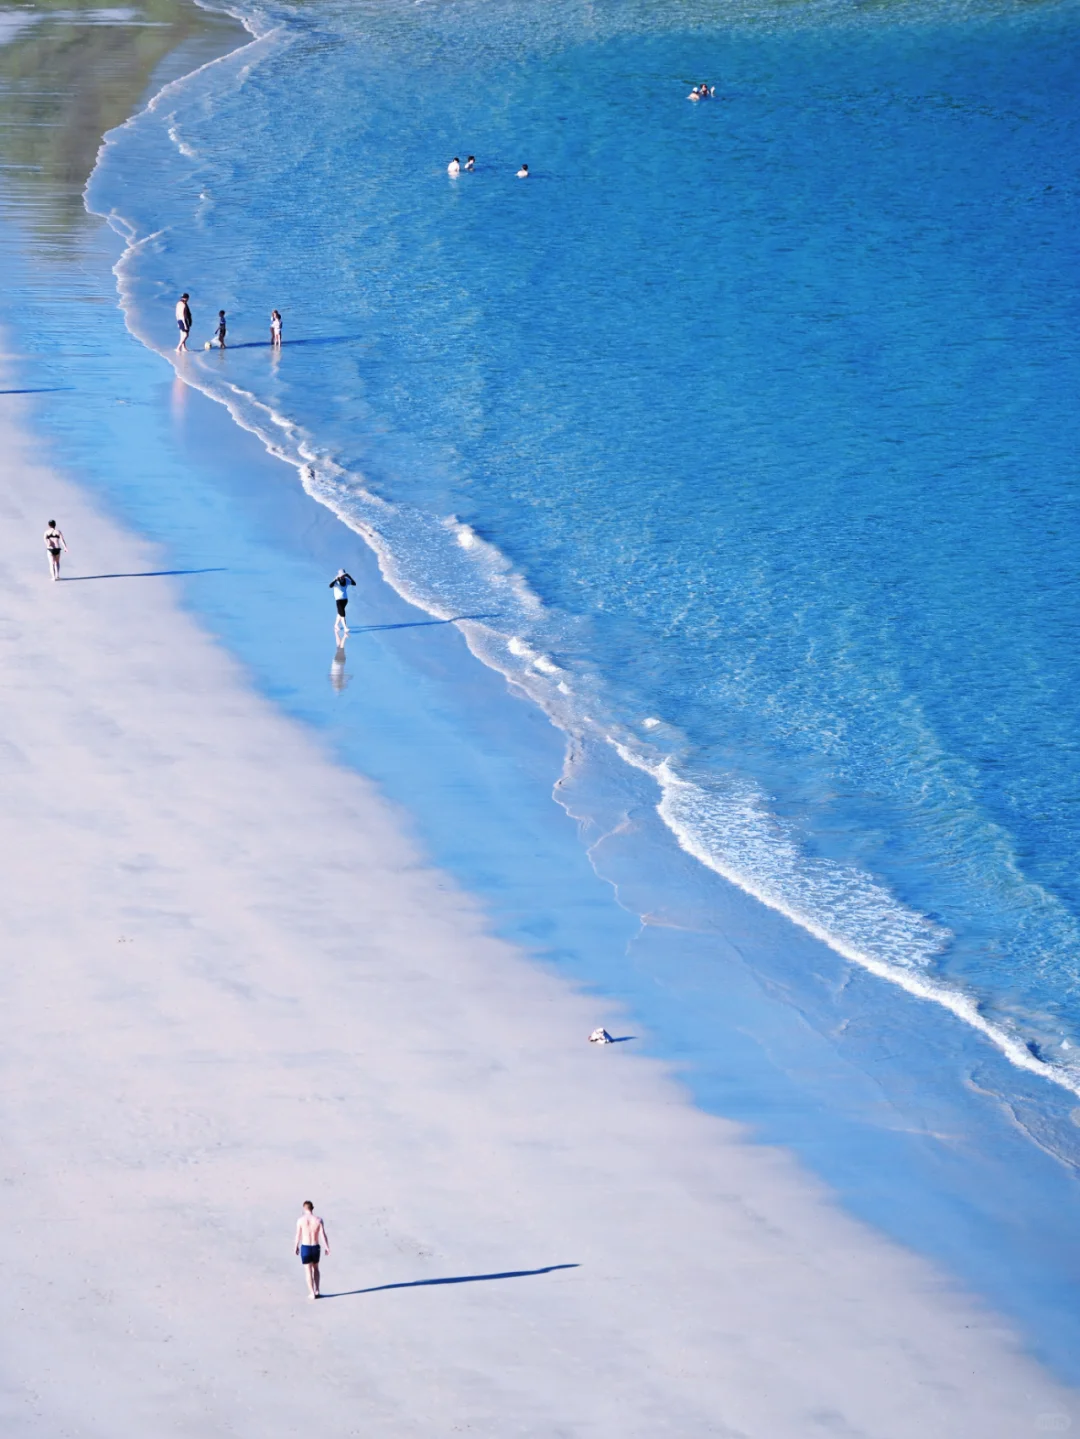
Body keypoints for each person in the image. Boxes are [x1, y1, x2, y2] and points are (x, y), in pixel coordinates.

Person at [294, 1201, 330, 1299]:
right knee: (316, 1268)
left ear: (304, 1208)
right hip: (315, 1246)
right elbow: (323, 1234)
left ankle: (312, 1292)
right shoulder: (318, 1220)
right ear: (312, 1208)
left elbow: (298, 1234)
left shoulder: (300, 1220)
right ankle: (317, 1290)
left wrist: (295, 1246)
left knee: (308, 1270)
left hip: (305, 1247)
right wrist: (327, 1247)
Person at [329, 567, 357, 634]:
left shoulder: (346, 580)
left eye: (344, 575)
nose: (343, 576)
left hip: (345, 599)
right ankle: (345, 628)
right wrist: (335, 580)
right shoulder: (336, 581)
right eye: (342, 575)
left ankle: (336, 625)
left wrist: (349, 576)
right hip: (338, 600)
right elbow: (330, 586)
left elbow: (354, 583)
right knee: (343, 613)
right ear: (339, 575)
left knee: (340, 613)